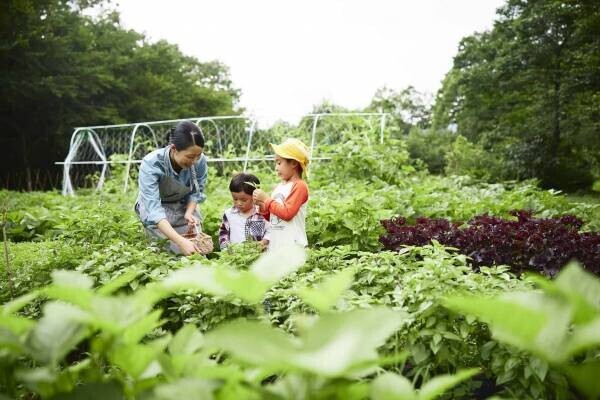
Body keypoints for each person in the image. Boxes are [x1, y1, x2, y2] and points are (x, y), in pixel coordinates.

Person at [135, 120, 208, 255]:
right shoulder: (151, 164)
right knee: (166, 253)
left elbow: (197, 191)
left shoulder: (200, 161)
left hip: (182, 204)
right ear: (174, 148)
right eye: (190, 156)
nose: (195, 161)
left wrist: (189, 212)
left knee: (196, 249)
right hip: (158, 211)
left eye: (198, 156)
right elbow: (154, 211)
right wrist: (180, 242)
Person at [252, 138, 310, 249]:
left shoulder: (299, 186)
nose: (276, 167)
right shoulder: (279, 187)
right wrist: (262, 206)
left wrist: (266, 200)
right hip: (277, 245)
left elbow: (287, 213)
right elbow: (274, 218)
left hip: (293, 246)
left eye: (279, 163)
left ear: (293, 163)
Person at [218, 172, 270, 250]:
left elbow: (270, 230)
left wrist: (264, 242)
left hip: (259, 256)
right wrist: (227, 249)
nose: (239, 203)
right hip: (236, 257)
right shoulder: (229, 214)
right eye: (235, 199)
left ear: (254, 197)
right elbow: (223, 233)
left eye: (243, 200)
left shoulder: (262, 213)